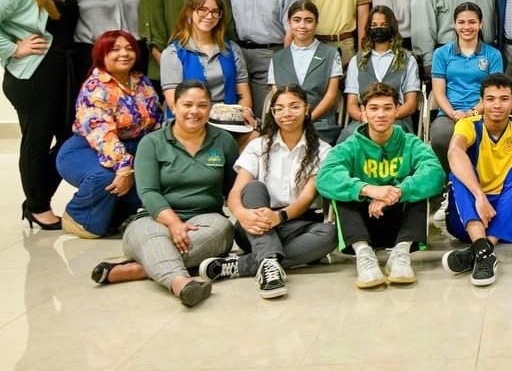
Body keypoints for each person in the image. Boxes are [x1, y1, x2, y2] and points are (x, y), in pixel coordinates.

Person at [88, 81, 239, 308]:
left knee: (224, 229)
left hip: (206, 221)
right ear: (174, 106)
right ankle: (182, 284)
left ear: (210, 108)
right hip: (153, 219)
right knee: (152, 236)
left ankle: (141, 267)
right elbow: (148, 191)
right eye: (187, 104)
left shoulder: (224, 141)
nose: (194, 111)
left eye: (202, 105)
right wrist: (174, 223)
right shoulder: (152, 142)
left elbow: (232, 189)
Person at [198, 84, 337, 298]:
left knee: (329, 234)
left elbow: (308, 197)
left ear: (307, 109)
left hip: (294, 222)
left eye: (294, 106)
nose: (286, 114)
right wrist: (242, 214)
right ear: (272, 113)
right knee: (253, 187)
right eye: (279, 108)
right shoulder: (258, 146)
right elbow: (236, 193)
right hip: (253, 225)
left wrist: (279, 217)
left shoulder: (322, 150)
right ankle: (270, 262)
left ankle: (248, 264)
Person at [316, 82, 444, 289]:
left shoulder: (411, 143)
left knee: (418, 189)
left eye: (387, 108)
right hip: (363, 225)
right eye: (374, 108)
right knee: (343, 191)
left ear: (396, 111)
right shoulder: (350, 145)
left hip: (399, 226)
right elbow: (325, 178)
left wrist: (399, 191)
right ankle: (364, 256)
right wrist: (368, 190)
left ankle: (401, 255)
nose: (380, 114)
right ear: (364, 112)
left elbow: (435, 173)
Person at [2, 0, 79, 231]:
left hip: (62, 74)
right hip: (35, 76)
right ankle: (38, 206)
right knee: (36, 140)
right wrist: (12, 48)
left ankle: (36, 197)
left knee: (70, 137)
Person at [56, 30, 160, 239]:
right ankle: (78, 218)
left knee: (153, 175)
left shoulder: (142, 82)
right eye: (115, 49)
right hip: (87, 148)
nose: (124, 54)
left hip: (132, 146)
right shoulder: (95, 87)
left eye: (129, 48)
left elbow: (155, 121)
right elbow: (103, 135)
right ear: (101, 55)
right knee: (107, 177)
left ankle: (116, 218)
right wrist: (124, 168)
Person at [442, 74, 512, 287]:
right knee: (459, 171)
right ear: (482, 102)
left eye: (504, 99)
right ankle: (481, 244)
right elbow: (454, 152)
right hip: (468, 217)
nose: (497, 105)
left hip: (505, 217)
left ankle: (483, 250)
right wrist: (479, 196)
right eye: (490, 99)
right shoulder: (468, 125)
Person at [158, 0, 254, 137]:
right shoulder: (172, 53)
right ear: (189, 12)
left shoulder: (232, 49)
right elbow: (174, 103)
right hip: (190, 121)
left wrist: (244, 112)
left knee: (255, 138)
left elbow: (243, 95)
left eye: (215, 11)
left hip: (229, 121)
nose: (210, 16)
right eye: (203, 10)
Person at [428, 2, 505, 175]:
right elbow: (439, 93)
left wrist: (471, 113)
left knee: (487, 137)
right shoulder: (441, 54)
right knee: (440, 136)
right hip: (449, 114)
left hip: (484, 113)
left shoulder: (493, 54)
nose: (466, 27)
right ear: (455, 25)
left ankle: (482, 180)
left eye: (472, 22)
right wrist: (454, 114)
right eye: (461, 22)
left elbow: (494, 94)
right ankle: (450, 181)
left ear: (480, 24)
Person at [269, 0, 343, 144]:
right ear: (289, 23)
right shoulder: (277, 58)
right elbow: (277, 97)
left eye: (308, 21)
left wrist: (307, 119)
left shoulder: (331, 54)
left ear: (316, 23)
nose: (302, 26)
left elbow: (331, 96)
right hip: (286, 124)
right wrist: (292, 121)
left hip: (320, 125)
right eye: (297, 20)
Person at [343, 6, 420, 128]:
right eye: (374, 25)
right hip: (363, 121)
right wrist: (362, 117)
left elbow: (411, 104)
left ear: (392, 28)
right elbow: (352, 104)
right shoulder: (356, 61)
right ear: (368, 28)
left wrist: (388, 116)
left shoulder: (408, 59)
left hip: (396, 121)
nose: (378, 28)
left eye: (383, 25)